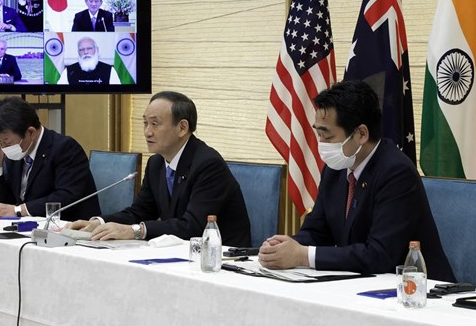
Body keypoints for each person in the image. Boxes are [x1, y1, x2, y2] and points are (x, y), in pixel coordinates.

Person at [258, 80, 455, 282]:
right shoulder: (336, 169)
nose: (321, 145)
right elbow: (317, 232)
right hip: (361, 284)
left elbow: (379, 254)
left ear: (361, 134)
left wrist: (302, 255)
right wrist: (283, 247)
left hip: (420, 292)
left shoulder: (396, 172)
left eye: (327, 136)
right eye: (318, 134)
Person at [68, 91, 251, 247]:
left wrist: (135, 231)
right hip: (182, 254)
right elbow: (140, 211)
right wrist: (99, 222)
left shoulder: (208, 164)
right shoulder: (156, 163)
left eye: (155, 124)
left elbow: (192, 226)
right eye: (145, 123)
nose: (147, 132)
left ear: (182, 127)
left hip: (223, 259)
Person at [0, 96, 100, 220]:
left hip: (70, 226)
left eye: (6, 141)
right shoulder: (16, 151)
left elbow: (65, 196)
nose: (3, 147)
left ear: (30, 132)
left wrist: (19, 210)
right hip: (28, 226)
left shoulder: (65, 148)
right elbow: (2, 205)